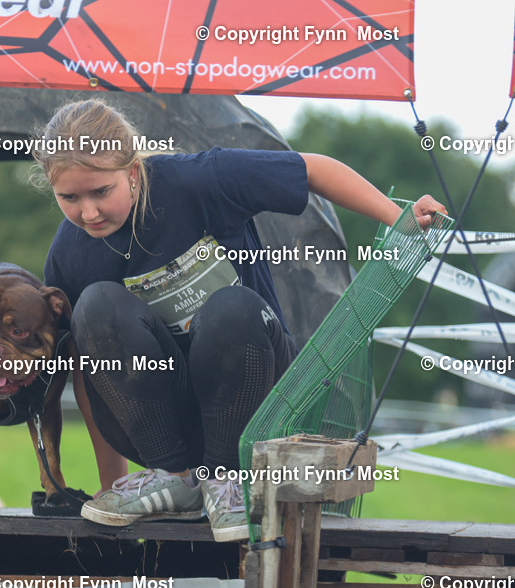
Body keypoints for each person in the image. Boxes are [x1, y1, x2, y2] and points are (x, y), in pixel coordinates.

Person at [33, 99, 445, 541]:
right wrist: (110, 485)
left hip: (255, 397)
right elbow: (92, 375)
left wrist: (398, 218)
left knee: (230, 306)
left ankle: (227, 478)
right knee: (94, 305)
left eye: (101, 192)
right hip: (163, 425)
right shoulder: (70, 253)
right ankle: (175, 477)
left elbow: (313, 169)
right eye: (69, 198)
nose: (89, 212)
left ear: (133, 173)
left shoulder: (200, 180)